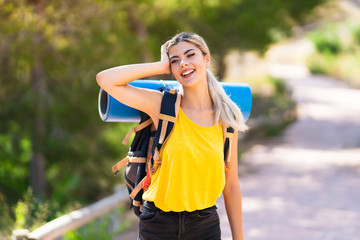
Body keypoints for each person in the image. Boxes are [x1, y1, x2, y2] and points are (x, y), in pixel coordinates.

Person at [96, 32, 247, 240]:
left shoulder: (227, 119)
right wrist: (160, 66)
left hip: (205, 226)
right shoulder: (163, 106)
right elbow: (105, 80)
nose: (183, 63)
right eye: (175, 61)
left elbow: (231, 185)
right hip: (158, 225)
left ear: (206, 59)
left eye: (190, 55)